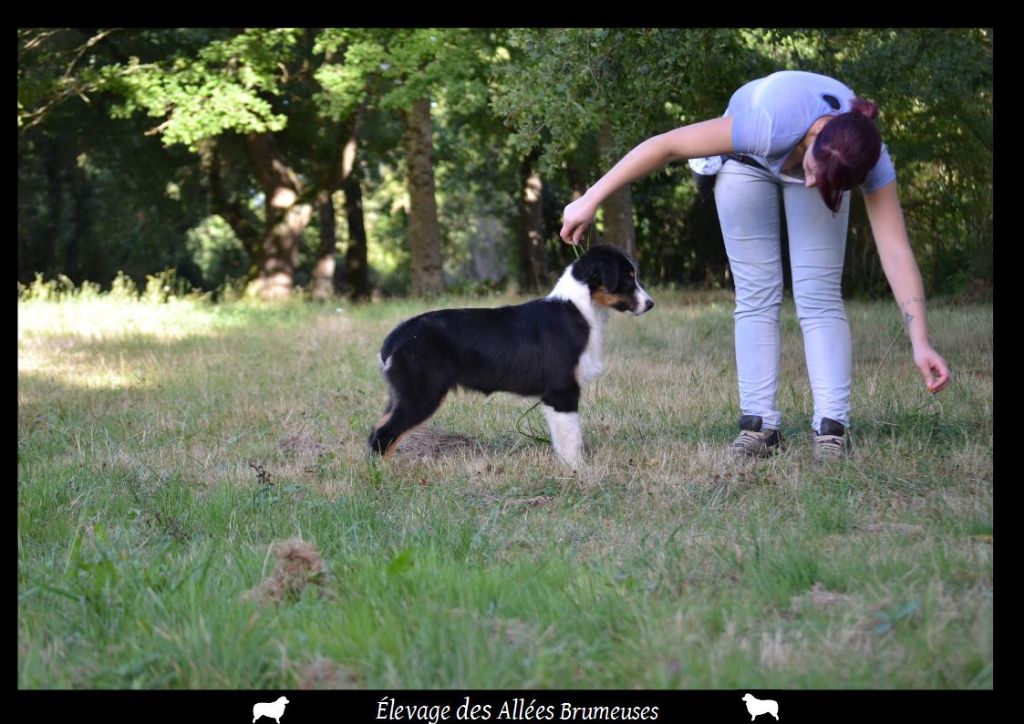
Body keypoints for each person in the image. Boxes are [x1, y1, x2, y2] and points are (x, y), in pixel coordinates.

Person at [559, 70, 951, 461]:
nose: (813, 186)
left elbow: (896, 249)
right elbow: (666, 147)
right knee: (757, 294)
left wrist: (920, 341)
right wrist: (590, 199)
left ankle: (832, 429)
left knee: (820, 294)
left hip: (819, 149)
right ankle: (759, 426)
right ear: (814, 140)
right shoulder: (768, 125)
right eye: (816, 173)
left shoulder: (870, 156)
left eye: (830, 186)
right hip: (746, 162)